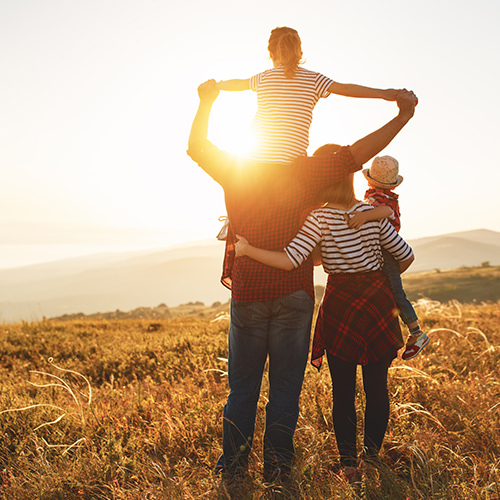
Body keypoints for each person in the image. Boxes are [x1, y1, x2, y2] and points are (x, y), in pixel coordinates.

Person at [187, 79, 417, 488]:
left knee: (242, 389)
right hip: (294, 295)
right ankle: (278, 469)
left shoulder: (236, 167)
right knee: (285, 390)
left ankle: (233, 468)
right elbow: (357, 154)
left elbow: (197, 146)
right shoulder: (308, 171)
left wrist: (206, 102)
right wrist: (400, 114)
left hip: (248, 293)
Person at [234, 165, 415, 482]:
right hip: (377, 302)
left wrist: (248, 249)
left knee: (343, 391)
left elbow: (291, 260)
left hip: (341, 303)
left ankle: (349, 465)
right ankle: (371, 459)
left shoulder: (318, 218)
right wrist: (381, 276)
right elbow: (406, 254)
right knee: (377, 388)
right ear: (349, 179)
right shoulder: (373, 213)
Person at [216, 26, 402, 164]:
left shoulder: (263, 78)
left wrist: (216, 85)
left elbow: (238, 84)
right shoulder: (314, 79)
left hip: (255, 160)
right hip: (292, 162)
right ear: (300, 53)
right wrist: (385, 94)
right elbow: (346, 89)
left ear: (271, 53)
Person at [348, 155, 430, 360]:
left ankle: (416, 332)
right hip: (382, 249)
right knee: (387, 291)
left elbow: (385, 212)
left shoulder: (381, 199)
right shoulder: (378, 194)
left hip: (386, 249)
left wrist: (364, 216)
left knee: (395, 293)